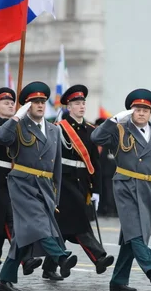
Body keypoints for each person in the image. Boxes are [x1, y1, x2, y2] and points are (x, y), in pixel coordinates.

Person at [0, 81, 76, 291]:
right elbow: (1, 138)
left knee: (23, 233)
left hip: (45, 185)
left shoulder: (53, 130)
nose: (40, 105)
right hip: (22, 183)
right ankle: (60, 257)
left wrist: (55, 195)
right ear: (27, 106)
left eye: (42, 101)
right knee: (39, 224)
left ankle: (5, 279)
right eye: (35, 102)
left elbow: (56, 165)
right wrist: (16, 117)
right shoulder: (19, 125)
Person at [91, 88, 151, 291]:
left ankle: (118, 280)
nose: (141, 113)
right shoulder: (120, 129)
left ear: (150, 112)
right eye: (137, 109)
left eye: (145, 109)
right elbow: (96, 138)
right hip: (125, 185)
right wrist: (114, 120)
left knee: (133, 234)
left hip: (148, 189)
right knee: (136, 232)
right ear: (130, 111)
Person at [42, 85, 114, 280]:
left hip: (83, 182)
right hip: (63, 181)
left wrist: (97, 190)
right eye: (76, 103)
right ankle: (99, 257)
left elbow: (96, 164)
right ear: (68, 107)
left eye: (83, 103)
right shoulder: (59, 128)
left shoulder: (92, 130)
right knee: (80, 220)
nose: (81, 106)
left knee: (65, 227)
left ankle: (51, 266)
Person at [0, 88, 41, 284]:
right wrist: (16, 118)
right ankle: (25, 259)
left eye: (11, 102)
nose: (9, 104)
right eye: (4, 102)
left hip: (16, 177)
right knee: (9, 219)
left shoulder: (20, 125)